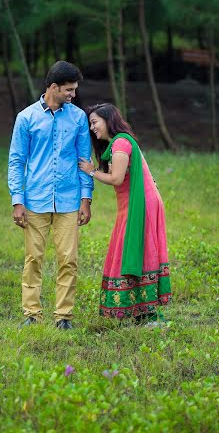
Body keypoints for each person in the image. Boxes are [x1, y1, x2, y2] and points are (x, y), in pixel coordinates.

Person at [8, 61, 94, 330]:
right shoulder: (26, 118)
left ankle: (63, 317)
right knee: (33, 258)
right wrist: (17, 200)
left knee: (68, 259)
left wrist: (86, 199)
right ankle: (31, 314)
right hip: (35, 199)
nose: (73, 94)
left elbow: (84, 159)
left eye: (75, 89)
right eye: (69, 89)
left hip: (69, 200)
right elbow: (16, 161)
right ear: (53, 87)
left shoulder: (78, 117)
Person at [79, 103, 172, 325]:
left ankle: (149, 314)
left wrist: (91, 171)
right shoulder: (120, 142)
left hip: (140, 203)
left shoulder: (120, 142)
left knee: (140, 252)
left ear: (108, 119)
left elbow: (117, 179)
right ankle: (142, 312)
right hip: (135, 203)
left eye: (95, 122)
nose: (92, 128)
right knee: (136, 251)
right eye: (90, 124)